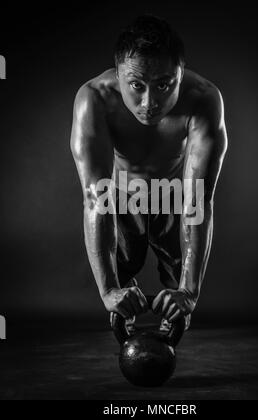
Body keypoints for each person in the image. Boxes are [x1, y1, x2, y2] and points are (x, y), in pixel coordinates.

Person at [70, 14, 228, 333]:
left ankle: (176, 313)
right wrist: (108, 290)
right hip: (120, 194)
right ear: (119, 75)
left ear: (180, 75)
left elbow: (199, 200)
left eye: (163, 85)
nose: (149, 102)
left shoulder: (203, 99)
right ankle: (122, 310)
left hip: (175, 195)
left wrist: (188, 291)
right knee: (119, 288)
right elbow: (95, 197)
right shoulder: (96, 99)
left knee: (180, 297)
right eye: (137, 85)